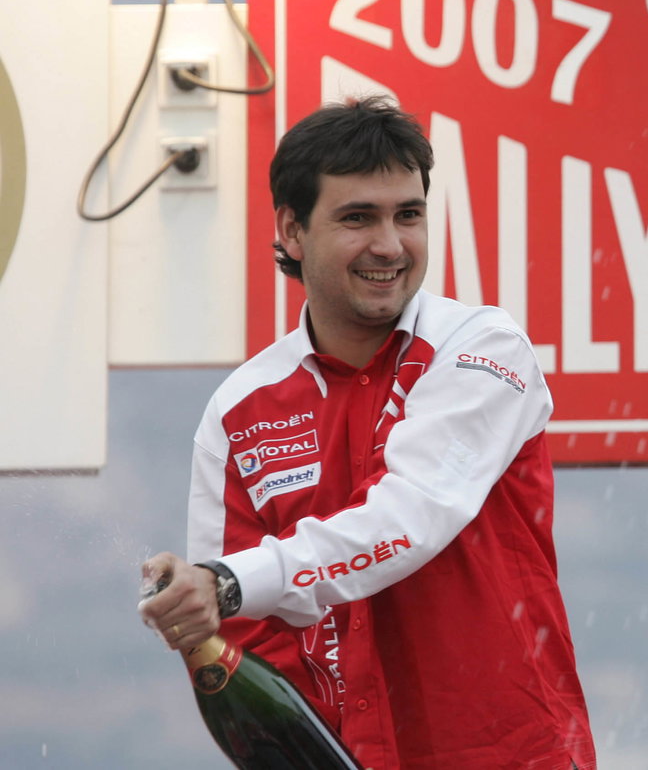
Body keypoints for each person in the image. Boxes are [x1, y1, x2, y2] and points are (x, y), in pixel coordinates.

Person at [136, 96, 595, 770]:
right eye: (358, 218)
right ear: (292, 231)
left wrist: (227, 581)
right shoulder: (238, 411)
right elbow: (239, 644)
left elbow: (409, 518)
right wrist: (194, 601)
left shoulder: (482, 347)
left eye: (408, 215)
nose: (390, 244)